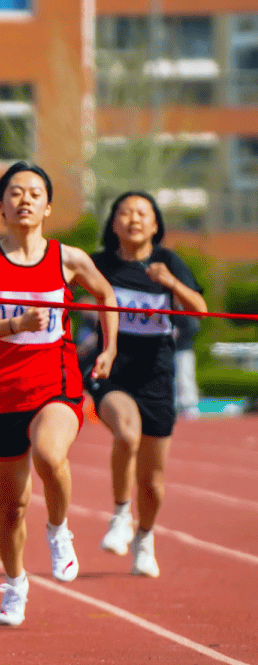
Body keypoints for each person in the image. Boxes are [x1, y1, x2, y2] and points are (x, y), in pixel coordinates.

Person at [0, 161, 118, 627]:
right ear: (0, 205)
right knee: (11, 508)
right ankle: (15, 584)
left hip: (58, 383)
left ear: (47, 206)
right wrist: (14, 323)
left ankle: (59, 530)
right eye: (14, 193)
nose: (24, 200)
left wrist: (109, 350)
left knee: (50, 456)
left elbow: (105, 293)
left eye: (34, 193)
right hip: (1, 393)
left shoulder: (67, 259)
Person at [87, 192, 207, 578]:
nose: (134, 219)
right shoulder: (99, 264)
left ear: (155, 224)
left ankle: (145, 535)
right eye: (125, 212)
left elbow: (199, 310)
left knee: (153, 483)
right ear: (114, 222)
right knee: (126, 434)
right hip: (112, 371)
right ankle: (121, 514)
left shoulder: (168, 262)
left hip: (157, 375)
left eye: (143, 213)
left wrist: (170, 282)